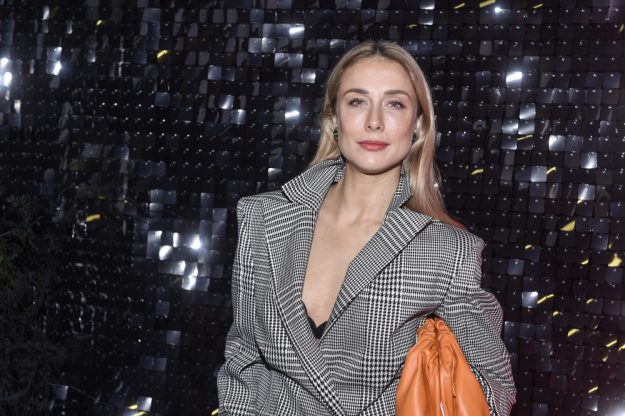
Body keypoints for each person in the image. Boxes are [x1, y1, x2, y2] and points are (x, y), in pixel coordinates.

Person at [217, 40, 516, 415]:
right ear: (333, 119)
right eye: (357, 101)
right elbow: (243, 359)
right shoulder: (264, 217)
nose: (374, 121)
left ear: (417, 125)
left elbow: (494, 387)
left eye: (395, 104)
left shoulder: (448, 250)